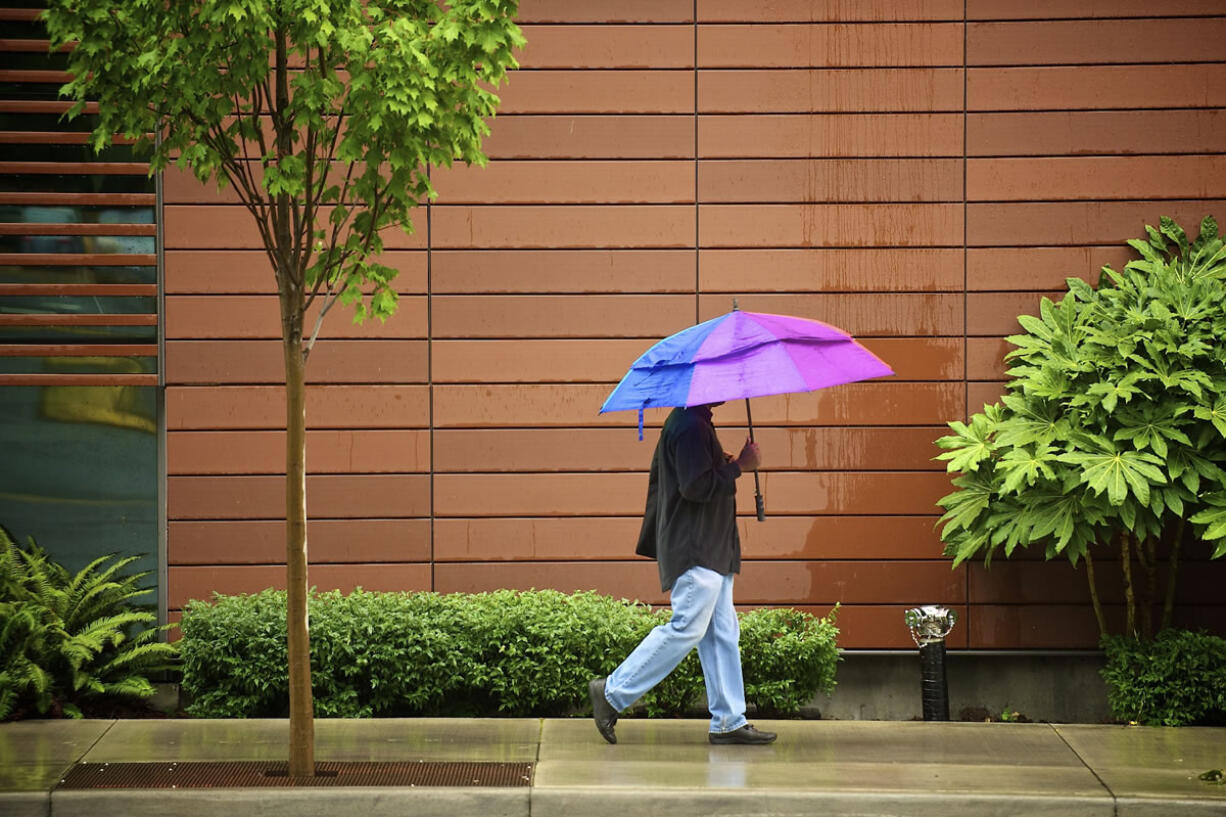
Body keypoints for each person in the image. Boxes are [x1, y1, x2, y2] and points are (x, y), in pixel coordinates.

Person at [588, 402, 777, 745]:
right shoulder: (690, 425)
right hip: (696, 549)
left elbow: (695, 477)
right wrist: (739, 468)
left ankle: (729, 721)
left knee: (721, 632)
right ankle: (612, 693)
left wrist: (723, 463)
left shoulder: (694, 422)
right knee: (686, 627)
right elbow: (695, 487)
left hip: (711, 548)